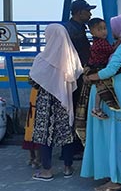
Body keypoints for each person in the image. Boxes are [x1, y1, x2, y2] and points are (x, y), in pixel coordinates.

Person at [80, 14, 121, 191]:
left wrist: (91, 77)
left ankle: (116, 178)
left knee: (114, 133)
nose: (111, 31)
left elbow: (110, 70)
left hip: (113, 94)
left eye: (115, 27)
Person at [30, 24, 83, 181]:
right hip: (64, 99)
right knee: (66, 132)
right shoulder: (72, 56)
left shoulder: (42, 59)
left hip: (46, 101)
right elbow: (77, 73)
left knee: (45, 133)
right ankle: (68, 167)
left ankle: (47, 170)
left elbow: (32, 80)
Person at [64, 0, 96, 157]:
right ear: (79, 12)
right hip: (78, 75)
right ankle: (76, 145)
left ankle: (77, 144)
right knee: (79, 109)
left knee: (79, 108)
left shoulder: (77, 28)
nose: (90, 13)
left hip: (80, 74)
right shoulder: (73, 31)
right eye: (87, 10)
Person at [87, 17, 115, 119]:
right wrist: (120, 42)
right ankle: (96, 109)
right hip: (99, 68)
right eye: (99, 29)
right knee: (101, 88)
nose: (104, 31)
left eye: (104, 28)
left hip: (95, 67)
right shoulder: (101, 43)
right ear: (92, 32)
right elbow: (112, 50)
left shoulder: (97, 41)